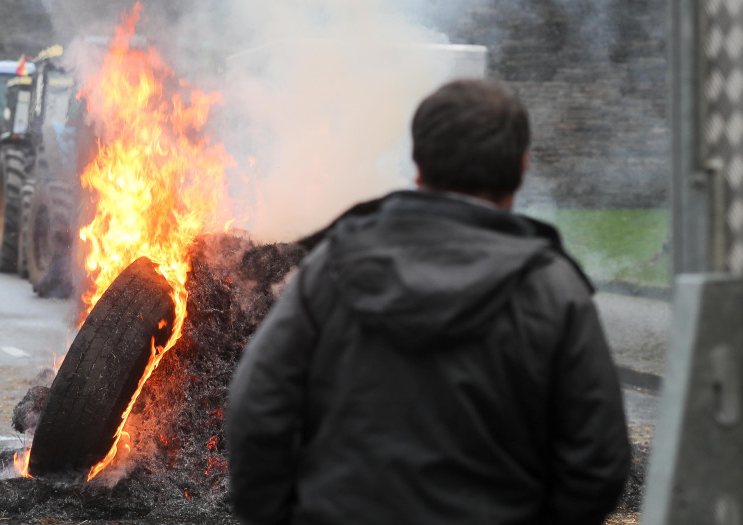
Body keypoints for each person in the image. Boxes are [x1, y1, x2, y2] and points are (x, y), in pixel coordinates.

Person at [226, 78, 631, 525]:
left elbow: (256, 412)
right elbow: (599, 461)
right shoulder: (554, 291)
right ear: (522, 166)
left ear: (418, 166)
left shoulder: (334, 269)